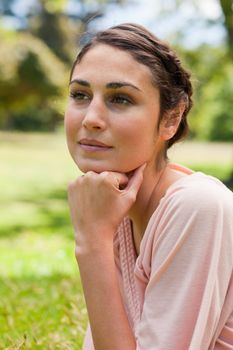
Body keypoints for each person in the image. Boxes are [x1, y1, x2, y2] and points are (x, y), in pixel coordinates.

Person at [64, 23, 233, 350]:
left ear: (171, 118)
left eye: (121, 99)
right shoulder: (116, 208)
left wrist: (92, 243)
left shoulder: (198, 206)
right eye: (80, 95)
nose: (91, 118)